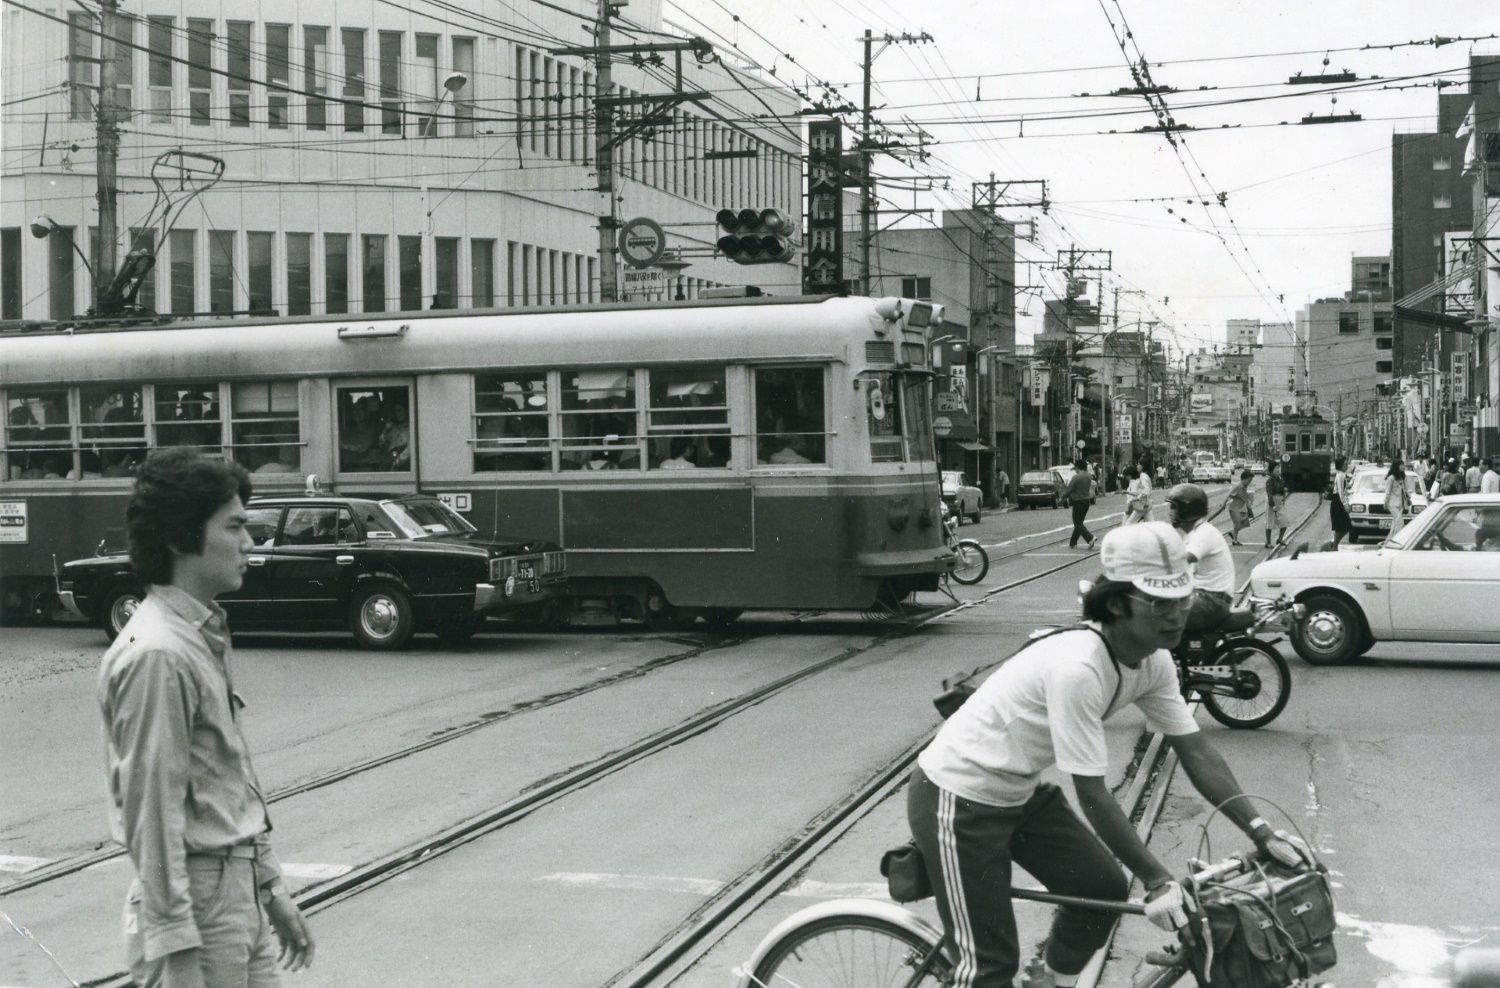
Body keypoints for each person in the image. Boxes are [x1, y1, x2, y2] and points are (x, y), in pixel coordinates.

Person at [907, 522, 1312, 988]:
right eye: (1159, 603)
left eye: (1183, 600)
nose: (1177, 615)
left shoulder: (1155, 659)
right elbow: (1093, 794)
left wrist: (1261, 831)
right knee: (988, 967)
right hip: (955, 799)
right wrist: (1158, 879)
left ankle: (1051, 981)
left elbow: (1195, 749)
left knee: (1100, 886)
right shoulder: (1079, 668)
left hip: (1016, 793)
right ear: (1117, 604)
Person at [99, 449, 313, 986]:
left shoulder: (199, 635)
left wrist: (270, 887)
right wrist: (174, 947)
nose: (249, 542)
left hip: (231, 889)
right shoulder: (160, 654)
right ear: (179, 537)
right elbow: (151, 811)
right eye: (235, 526)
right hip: (196, 901)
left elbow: (228, 773)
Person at [1166, 484, 1236, 633]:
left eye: (1173, 507)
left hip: (1212, 601)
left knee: (1159, 617)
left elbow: (1183, 559)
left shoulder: (1204, 533)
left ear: (1186, 510)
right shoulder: (1192, 533)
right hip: (1205, 597)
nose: (1169, 512)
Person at [1213, 469, 1255, 546]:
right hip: (1234, 508)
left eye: (1251, 480)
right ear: (1244, 479)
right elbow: (1229, 494)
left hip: (1240, 508)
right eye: (1249, 480)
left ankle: (1233, 534)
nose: (1250, 482)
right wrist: (1223, 504)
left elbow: (1243, 497)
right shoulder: (1238, 486)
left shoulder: (1244, 486)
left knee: (1245, 522)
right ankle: (1235, 540)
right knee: (1237, 523)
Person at [1065, 459, 1096, 549]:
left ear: (1078, 467)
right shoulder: (1088, 476)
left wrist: (1063, 498)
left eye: (1076, 468)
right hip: (1086, 501)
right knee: (1079, 523)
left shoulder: (1076, 477)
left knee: (1077, 523)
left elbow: (1069, 489)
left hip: (1078, 501)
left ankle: (1090, 538)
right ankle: (1073, 542)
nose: (1075, 470)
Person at [1327, 456, 1353, 549]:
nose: (1346, 466)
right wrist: (1345, 505)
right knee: (1344, 526)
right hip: (1338, 502)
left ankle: (1334, 546)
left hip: (1338, 501)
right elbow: (1340, 492)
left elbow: (1345, 488)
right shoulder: (1341, 475)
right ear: (1341, 465)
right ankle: (1334, 546)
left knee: (1342, 526)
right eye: (1345, 464)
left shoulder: (1341, 474)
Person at [1263, 461, 1288, 548]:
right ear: (1272, 470)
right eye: (1276, 468)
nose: (1278, 470)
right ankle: (1268, 542)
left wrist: (1283, 498)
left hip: (1280, 502)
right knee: (1269, 522)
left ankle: (1280, 539)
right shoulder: (1269, 481)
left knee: (1284, 521)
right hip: (1272, 502)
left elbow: (1283, 490)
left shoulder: (1281, 480)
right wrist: (1272, 505)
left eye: (1278, 468)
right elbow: (1269, 494)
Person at [1385, 459, 1411, 536]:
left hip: (1400, 504)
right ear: (1396, 466)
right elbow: (1388, 491)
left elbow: (1404, 490)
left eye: (1403, 465)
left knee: (1395, 524)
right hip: (1392, 504)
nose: (1403, 466)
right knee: (1400, 522)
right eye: (1401, 465)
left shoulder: (1401, 477)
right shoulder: (1391, 478)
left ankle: (1389, 541)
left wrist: (1408, 498)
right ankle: (1397, 539)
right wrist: (1386, 502)